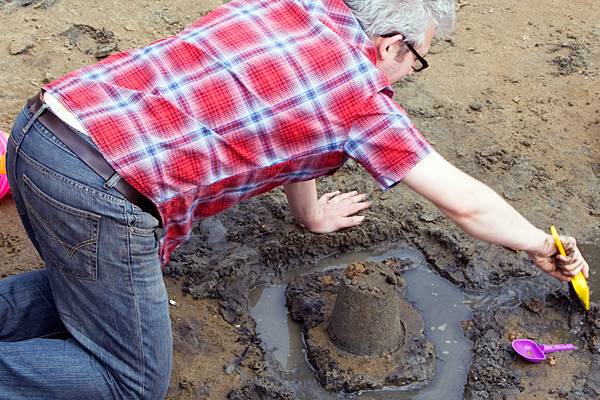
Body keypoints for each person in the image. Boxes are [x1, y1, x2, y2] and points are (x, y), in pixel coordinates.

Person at [1, 0, 589, 398]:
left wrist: (308, 215)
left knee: (96, 278)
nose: (413, 71)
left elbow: (290, 123)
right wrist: (541, 243)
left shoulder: (297, 8)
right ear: (389, 43)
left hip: (43, 128)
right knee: (130, 380)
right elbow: (464, 202)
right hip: (100, 190)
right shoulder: (360, 97)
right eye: (417, 57)